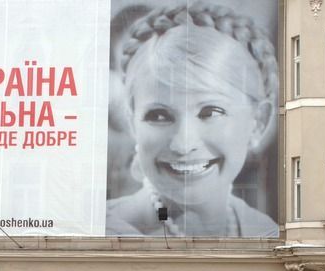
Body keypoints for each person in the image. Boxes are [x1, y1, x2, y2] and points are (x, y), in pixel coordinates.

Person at [105, 3, 278, 237]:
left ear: (258, 122)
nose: (183, 144)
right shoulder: (105, 234)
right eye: (158, 115)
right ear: (132, 122)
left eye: (211, 112)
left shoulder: (265, 233)